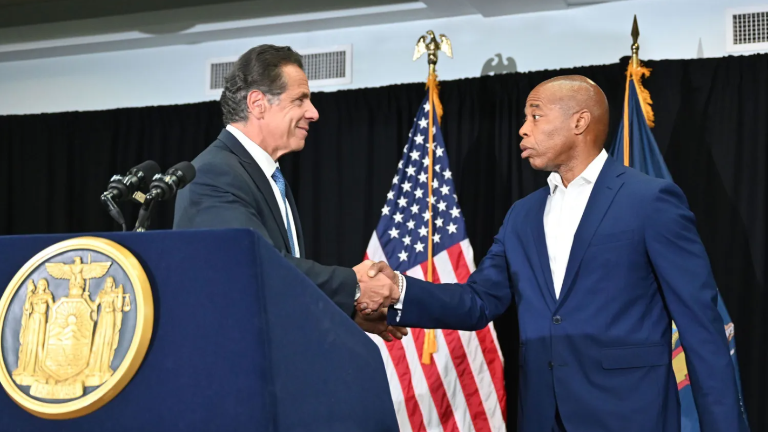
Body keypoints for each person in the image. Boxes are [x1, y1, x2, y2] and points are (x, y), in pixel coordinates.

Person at [361, 76, 741, 431]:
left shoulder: (650, 201)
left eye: (535, 115)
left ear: (579, 122)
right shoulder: (522, 215)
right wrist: (399, 289)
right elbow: (477, 301)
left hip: (629, 413)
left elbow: (701, 327)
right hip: (542, 415)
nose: (523, 128)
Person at [174, 45, 405, 341]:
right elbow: (254, 266)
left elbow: (278, 282)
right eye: (300, 100)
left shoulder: (265, 174)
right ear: (257, 103)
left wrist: (347, 309)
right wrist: (354, 285)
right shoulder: (214, 173)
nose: (313, 113)